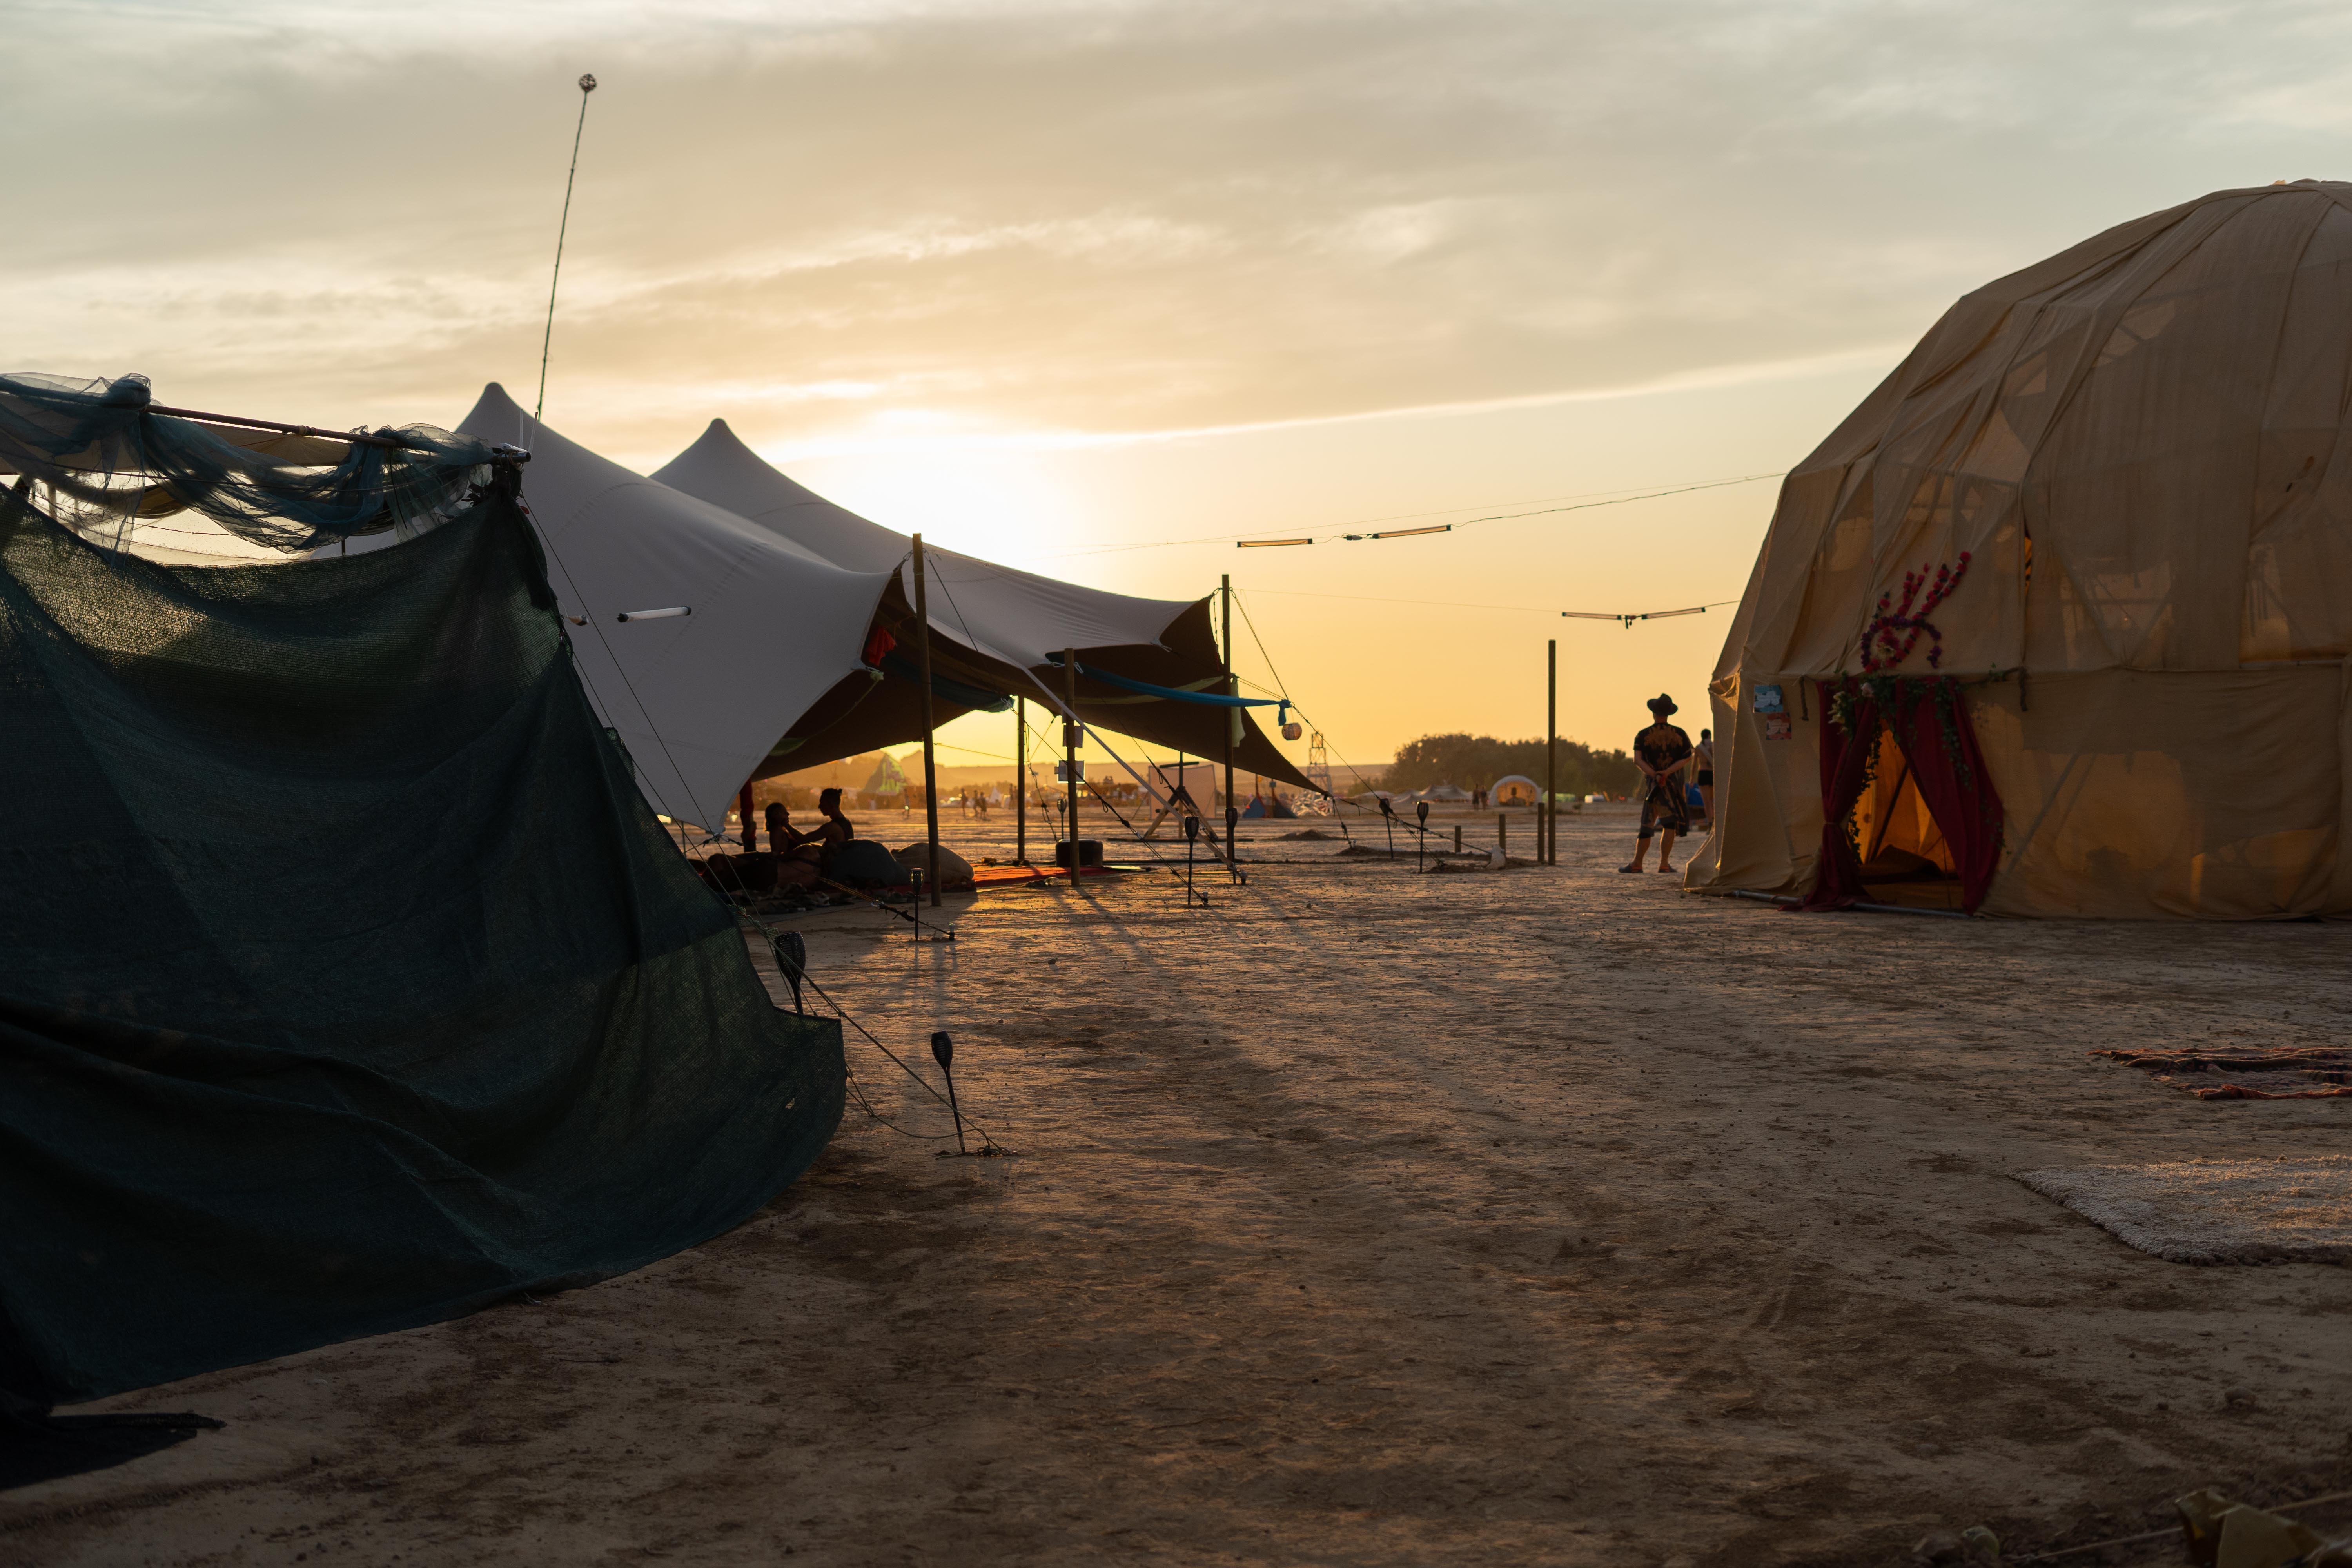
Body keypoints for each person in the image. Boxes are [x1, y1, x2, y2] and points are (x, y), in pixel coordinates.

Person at [1621, 694, 1694, 874]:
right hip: (1672, 786)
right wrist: (1667, 773)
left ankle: (1638, 863)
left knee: (1647, 824)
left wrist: (1655, 774)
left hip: (1653, 786)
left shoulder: (1643, 735)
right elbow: (1687, 757)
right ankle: (1664, 863)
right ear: (1669, 713)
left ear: (1654, 713)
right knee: (1669, 824)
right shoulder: (1680, 734)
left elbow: (1638, 760)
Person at [1694, 728, 1717, 826]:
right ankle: (1715, 820)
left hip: (1703, 774)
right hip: (1712, 774)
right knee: (1712, 800)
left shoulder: (1699, 748)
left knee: (1706, 802)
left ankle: (1710, 823)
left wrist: (1691, 779)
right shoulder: (1713, 746)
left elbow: (1694, 764)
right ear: (1709, 736)